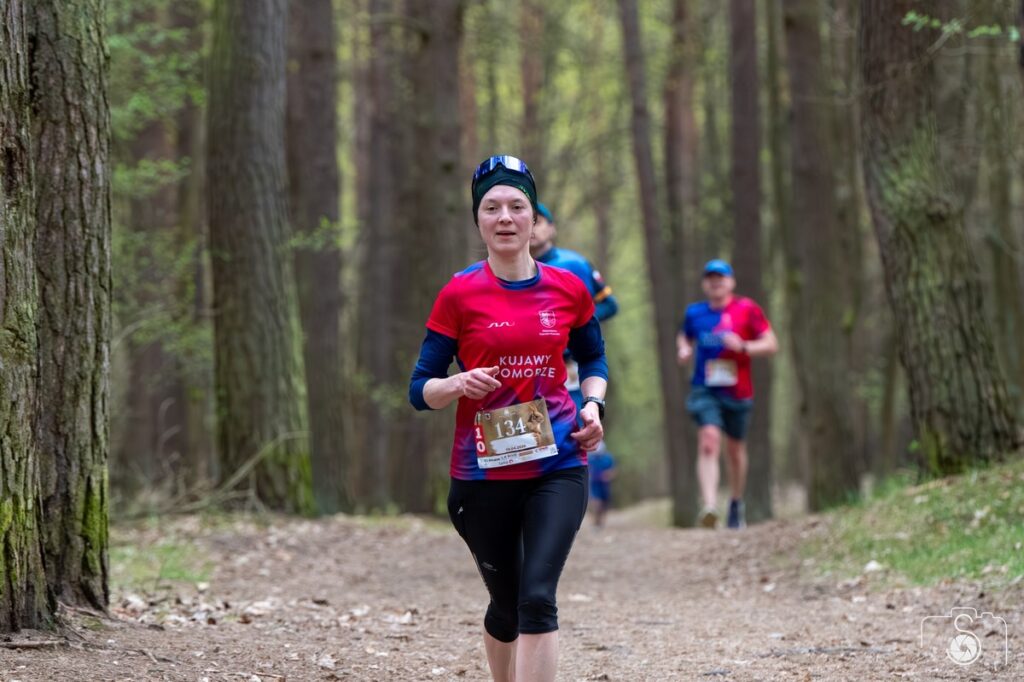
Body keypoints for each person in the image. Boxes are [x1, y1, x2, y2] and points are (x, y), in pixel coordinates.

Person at [409, 155, 608, 682]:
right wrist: (454, 384)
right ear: (478, 220)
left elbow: (594, 358)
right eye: (492, 207)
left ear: (533, 219)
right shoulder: (459, 292)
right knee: (506, 606)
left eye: (517, 206)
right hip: (482, 476)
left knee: (537, 599)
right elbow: (418, 389)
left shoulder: (568, 288)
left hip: (559, 463)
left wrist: (593, 405)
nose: (505, 218)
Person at [676, 259, 777, 529]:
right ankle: (709, 506)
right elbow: (684, 336)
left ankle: (735, 502)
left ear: (731, 282)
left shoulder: (747, 309)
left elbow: (771, 343)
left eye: (720, 277)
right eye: (710, 278)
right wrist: (684, 349)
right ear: (704, 284)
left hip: (738, 391)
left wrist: (744, 346)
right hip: (704, 388)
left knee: (735, 450)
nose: (715, 282)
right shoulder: (695, 313)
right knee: (709, 439)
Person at [529, 202, 618, 411]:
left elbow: (609, 305)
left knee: (574, 425)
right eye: (528, 222)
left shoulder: (574, 264)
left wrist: (572, 321)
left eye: (538, 222)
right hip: (528, 368)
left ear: (552, 228)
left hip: (569, 363)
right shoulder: (511, 272)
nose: (532, 228)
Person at [587, 440, 616, 529]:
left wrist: (608, 475)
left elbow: (613, 470)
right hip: (594, 483)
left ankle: (601, 522)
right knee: (596, 503)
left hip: (605, 484)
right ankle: (596, 521)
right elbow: (587, 470)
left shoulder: (608, 458)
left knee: (604, 503)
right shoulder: (590, 458)